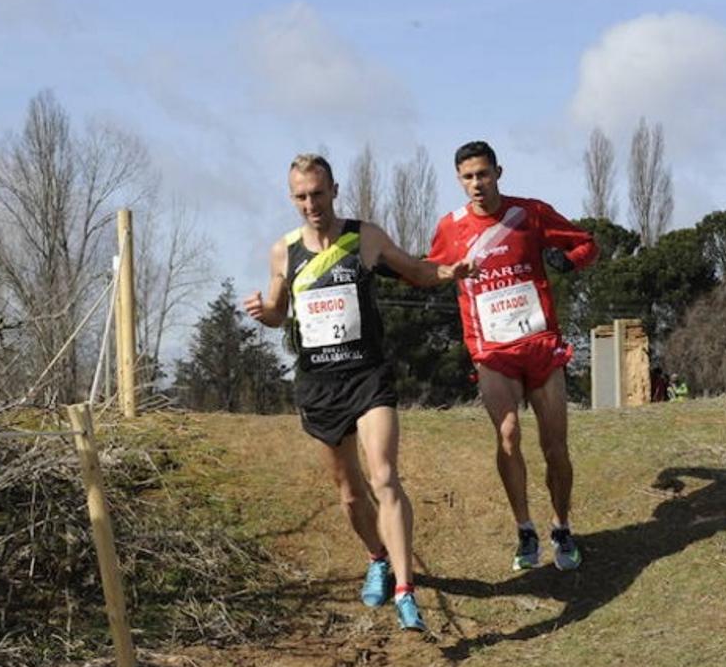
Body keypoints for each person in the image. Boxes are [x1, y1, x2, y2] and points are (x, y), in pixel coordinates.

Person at [244, 153, 471, 632]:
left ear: (334, 190)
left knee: (385, 477)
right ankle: (377, 557)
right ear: (292, 198)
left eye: (318, 194)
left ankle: (407, 591)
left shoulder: (363, 237)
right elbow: (279, 311)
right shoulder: (283, 251)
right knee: (350, 495)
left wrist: (448, 272)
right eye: (301, 196)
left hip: (368, 377)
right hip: (320, 385)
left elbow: (416, 270)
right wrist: (265, 314)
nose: (311, 204)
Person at [427, 140, 597, 572]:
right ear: (459, 181)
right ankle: (525, 530)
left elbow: (586, 244)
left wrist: (567, 260)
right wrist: (450, 271)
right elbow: (427, 271)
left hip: (539, 346)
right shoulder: (451, 227)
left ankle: (561, 526)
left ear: (498, 172)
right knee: (507, 435)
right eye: (468, 177)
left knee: (554, 445)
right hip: (492, 351)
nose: (476, 184)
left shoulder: (530, 213)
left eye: (483, 174)